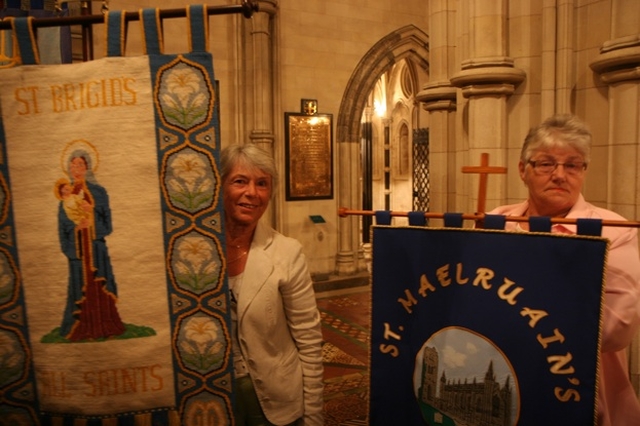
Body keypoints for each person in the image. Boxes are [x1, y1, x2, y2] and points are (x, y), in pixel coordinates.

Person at [489, 114, 640, 425]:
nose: (559, 175)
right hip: (503, 375)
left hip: (580, 391)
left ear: (583, 172)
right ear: (523, 169)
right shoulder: (496, 222)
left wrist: (510, 320)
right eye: (545, 163)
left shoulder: (613, 232)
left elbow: (615, 329)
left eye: (572, 165)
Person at [221, 143, 324, 425]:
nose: (252, 193)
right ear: (219, 187)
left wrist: (313, 417)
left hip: (277, 403)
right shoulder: (195, 253)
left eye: (262, 184)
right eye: (240, 181)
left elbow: (309, 342)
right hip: (212, 402)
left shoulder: (286, 252)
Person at [58, 149, 125, 341]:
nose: (75, 168)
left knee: (99, 284)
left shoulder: (98, 192)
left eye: (79, 164)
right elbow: (62, 230)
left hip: (96, 249)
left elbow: (108, 225)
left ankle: (106, 325)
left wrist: (92, 213)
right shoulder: (64, 195)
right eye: (72, 164)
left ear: (87, 167)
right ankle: (81, 328)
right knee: (80, 287)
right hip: (78, 253)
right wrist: (77, 229)